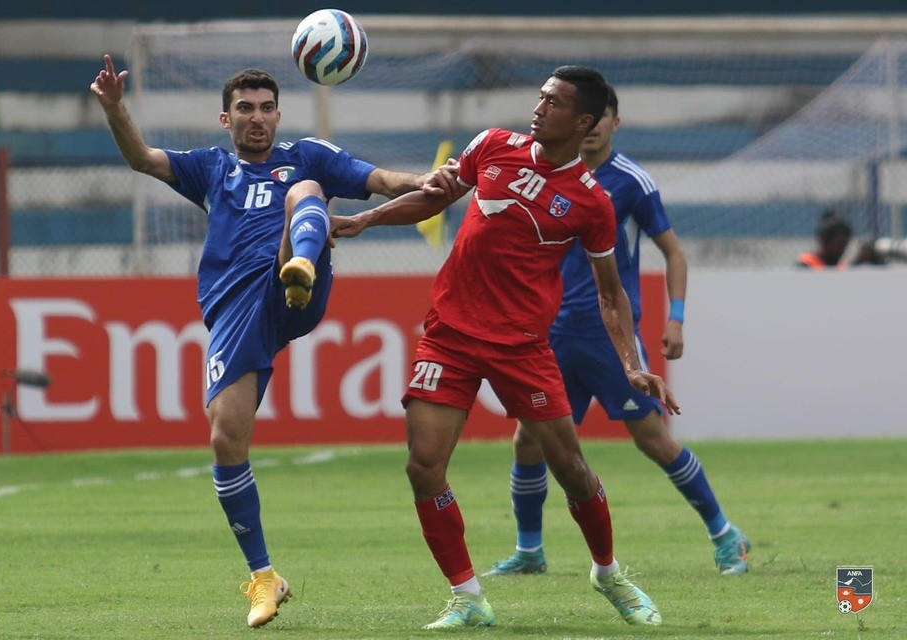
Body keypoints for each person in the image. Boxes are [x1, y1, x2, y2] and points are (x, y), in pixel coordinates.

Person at [90, 54, 457, 628]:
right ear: (225, 118)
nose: (257, 118)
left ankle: (300, 268)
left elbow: (377, 179)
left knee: (305, 189)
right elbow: (142, 158)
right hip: (236, 310)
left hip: (293, 279)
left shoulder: (305, 155)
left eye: (265, 108)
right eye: (245, 109)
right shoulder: (210, 168)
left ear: (279, 114)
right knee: (224, 438)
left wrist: (422, 180)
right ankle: (265, 578)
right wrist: (115, 108)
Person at [332, 66, 680, 630]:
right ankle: (468, 597)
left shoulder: (592, 203)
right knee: (424, 467)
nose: (538, 108)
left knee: (570, 468)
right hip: (450, 332)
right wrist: (366, 219)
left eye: (553, 102)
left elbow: (610, 294)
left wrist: (633, 366)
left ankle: (608, 572)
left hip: (522, 345)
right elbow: (433, 199)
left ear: (583, 121)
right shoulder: (492, 144)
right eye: (539, 97)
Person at [482, 85, 750, 581]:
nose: (596, 126)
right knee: (527, 441)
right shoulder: (545, 174)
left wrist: (676, 317)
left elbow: (674, 251)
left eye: (604, 117)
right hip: (554, 334)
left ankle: (725, 533)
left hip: (608, 337)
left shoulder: (630, 182)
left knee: (652, 440)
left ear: (611, 124)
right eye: (590, 116)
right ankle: (529, 550)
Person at [796, 210, 885, 268]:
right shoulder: (806, 265)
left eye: (845, 244)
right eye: (839, 244)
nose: (842, 249)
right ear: (824, 241)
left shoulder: (839, 267)